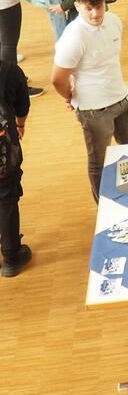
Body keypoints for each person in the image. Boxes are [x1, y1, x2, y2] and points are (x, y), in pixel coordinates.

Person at [51, 0, 128, 202]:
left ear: (104, 1)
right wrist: (70, 96)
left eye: (99, 6)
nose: (95, 14)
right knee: (99, 162)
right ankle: (104, 206)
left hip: (123, 99)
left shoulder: (114, 21)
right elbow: (57, 79)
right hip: (94, 111)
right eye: (88, 9)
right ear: (77, 6)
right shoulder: (73, 37)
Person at [0, 58, 30, 277]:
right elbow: (22, 106)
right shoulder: (9, 71)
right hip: (3, 154)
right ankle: (11, 257)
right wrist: (19, 125)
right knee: (7, 198)